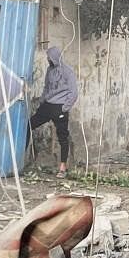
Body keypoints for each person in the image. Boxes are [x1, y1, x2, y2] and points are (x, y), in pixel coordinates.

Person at [30, 46, 79, 177]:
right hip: (47, 105)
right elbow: (47, 87)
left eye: (49, 57)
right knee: (28, 125)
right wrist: (42, 101)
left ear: (55, 57)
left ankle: (62, 167)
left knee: (63, 137)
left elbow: (73, 92)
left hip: (60, 107)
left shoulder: (68, 71)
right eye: (47, 57)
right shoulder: (49, 70)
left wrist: (65, 107)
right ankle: (23, 160)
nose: (47, 59)